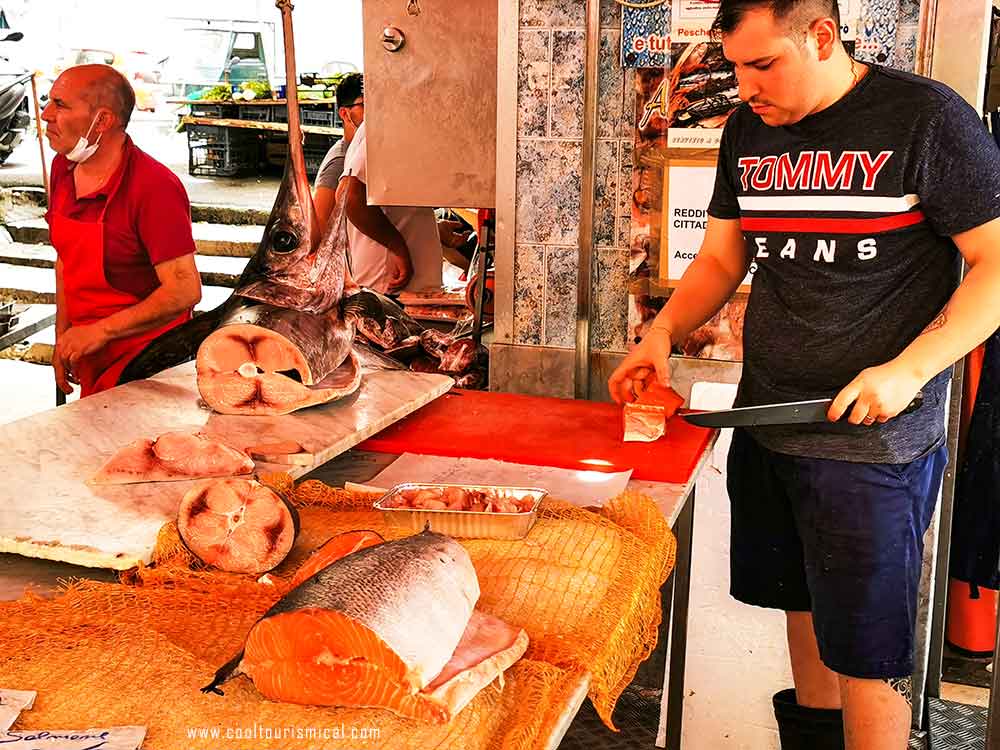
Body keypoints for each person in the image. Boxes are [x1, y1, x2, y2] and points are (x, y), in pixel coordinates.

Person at [607, 2, 1000, 748]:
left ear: (821, 35)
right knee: (808, 624)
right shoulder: (752, 130)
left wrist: (908, 370)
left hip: (872, 444)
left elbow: (996, 264)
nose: (747, 87)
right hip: (772, 425)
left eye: (764, 65)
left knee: (870, 655)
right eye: (736, 67)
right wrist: (660, 334)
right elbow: (724, 259)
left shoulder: (925, 120)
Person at [43, 64, 200, 397]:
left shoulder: (154, 187)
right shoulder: (62, 167)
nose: (45, 114)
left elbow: (185, 289)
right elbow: (65, 263)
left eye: (60, 104)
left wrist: (101, 331)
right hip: (90, 352)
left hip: (150, 364)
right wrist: (64, 339)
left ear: (102, 120)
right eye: (48, 102)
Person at [338, 120, 444, 294]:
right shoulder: (389, 124)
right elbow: (349, 196)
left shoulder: (395, 123)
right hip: (391, 285)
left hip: (404, 289)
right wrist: (396, 245)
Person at [312, 73, 364, 234]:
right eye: (365, 104)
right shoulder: (339, 161)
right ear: (344, 113)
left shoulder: (359, 150)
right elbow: (319, 223)